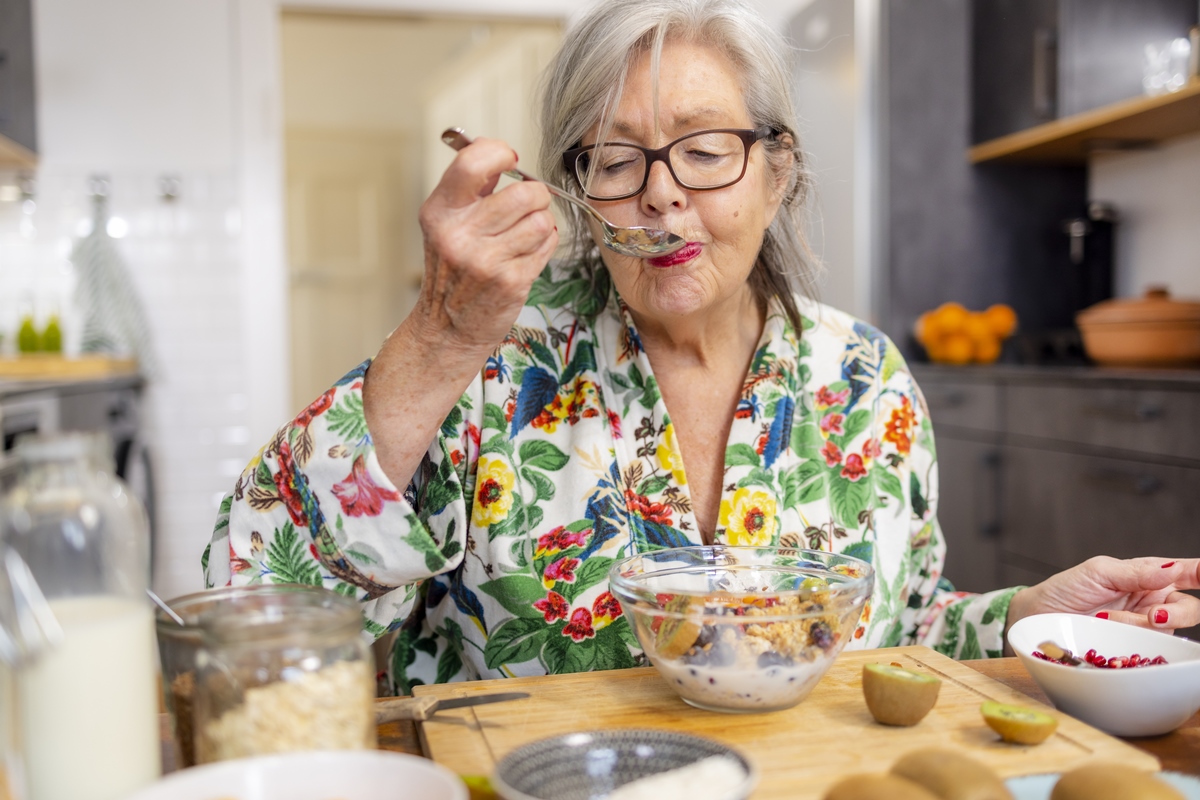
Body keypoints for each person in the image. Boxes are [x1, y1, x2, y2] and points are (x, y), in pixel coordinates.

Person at [203, 0, 1198, 693]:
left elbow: (900, 626)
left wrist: (1030, 614)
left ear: (777, 172)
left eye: (706, 149)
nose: (662, 193)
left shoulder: (864, 379)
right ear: (577, 189)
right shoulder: (486, 364)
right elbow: (247, 610)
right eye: (616, 158)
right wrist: (437, 336)